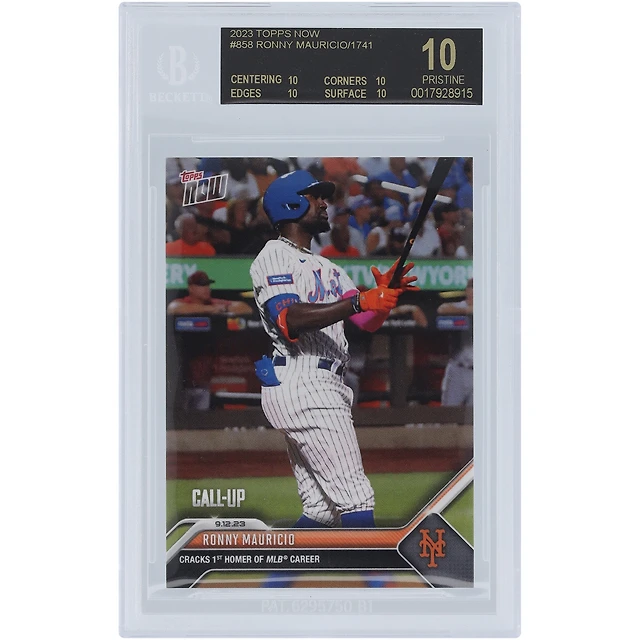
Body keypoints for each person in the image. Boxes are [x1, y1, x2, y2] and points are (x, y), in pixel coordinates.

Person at [250, 170, 417, 531]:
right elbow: (290, 319)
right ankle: (371, 571)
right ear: (291, 204)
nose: (325, 203)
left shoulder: (328, 267)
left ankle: (274, 571)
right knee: (357, 499)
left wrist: (382, 300)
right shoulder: (274, 255)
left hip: (321, 382)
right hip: (303, 378)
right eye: (315, 197)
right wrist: (361, 301)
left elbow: (364, 322)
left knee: (322, 511)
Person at [438, 278, 473, 407]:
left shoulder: (490, 308)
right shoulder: (461, 306)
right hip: (458, 368)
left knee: (476, 414)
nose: (472, 293)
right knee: (448, 411)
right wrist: (469, 311)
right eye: (470, 289)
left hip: (480, 372)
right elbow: (442, 309)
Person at [167, 270, 252, 316]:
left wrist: (224, 309)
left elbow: (246, 308)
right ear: (191, 288)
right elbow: (172, 308)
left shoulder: (213, 302)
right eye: (202, 285)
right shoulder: (184, 302)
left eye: (207, 285)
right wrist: (210, 309)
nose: (206, 288)